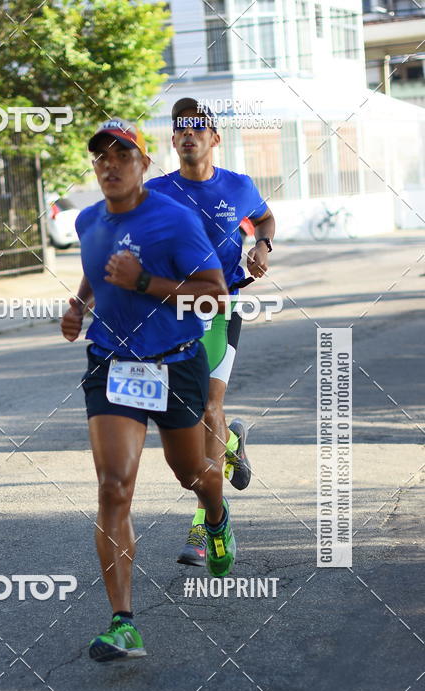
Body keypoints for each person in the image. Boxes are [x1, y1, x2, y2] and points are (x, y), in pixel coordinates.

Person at [61, 118, 235, 663]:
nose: (110, 165)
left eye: (122, 156)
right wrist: (80, 306)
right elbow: (98, 270)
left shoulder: (175, 220)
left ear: (143, 164)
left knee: (192, 474)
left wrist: (144, 282)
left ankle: (216, 516)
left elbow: (215, 297)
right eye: (101, 157)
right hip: (111, 364)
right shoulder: (88, 220)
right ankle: (123, 623)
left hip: (175, 363)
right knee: (113, 486)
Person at [146, 98, 276, 566]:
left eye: (197, 128)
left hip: (221, 305)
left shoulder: (238, 185)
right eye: (180, 128)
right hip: (173, 313)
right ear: (173, 140)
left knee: (208, 408)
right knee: (186, 417)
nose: (188, 134)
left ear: (214, 138)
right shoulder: (156, 191)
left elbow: (264, 217)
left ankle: (205, 525)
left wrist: (262, 245)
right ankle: (233, 442)